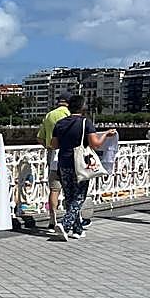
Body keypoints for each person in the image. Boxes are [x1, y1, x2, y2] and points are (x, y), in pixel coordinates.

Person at [49, 94, 115, 241]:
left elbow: (54, 145)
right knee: (79, 196)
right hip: (81, 163)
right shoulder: (86, 122)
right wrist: (106, 134)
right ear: (83, 107)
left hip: (63, 162)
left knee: (70, 196)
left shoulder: (60, 123)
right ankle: (65, 224)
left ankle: (77, 230)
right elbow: (95, 144)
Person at [36, 98, 70, 229]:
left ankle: (52, 218)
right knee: (71, 188)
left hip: (53, 155)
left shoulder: (49, 115)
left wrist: (48, 147)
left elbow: (39, 137)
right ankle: (70, 217)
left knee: (54, 189)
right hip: (69, 155)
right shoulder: (70, 116)